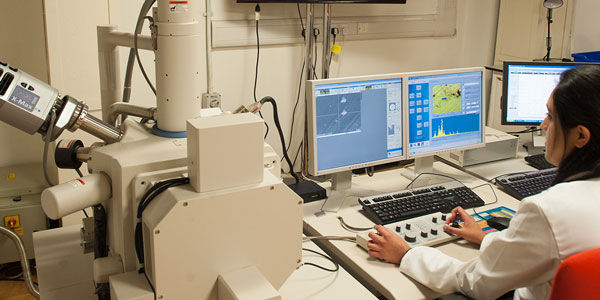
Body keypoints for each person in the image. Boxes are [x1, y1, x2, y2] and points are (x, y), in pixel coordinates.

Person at [366, 65, 600, 300]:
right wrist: (486, 239)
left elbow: (476, 282)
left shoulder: (547, 210)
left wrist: (407, 254)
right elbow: (542, 253)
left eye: (550, 116)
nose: (543, 125)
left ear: (581, 135)